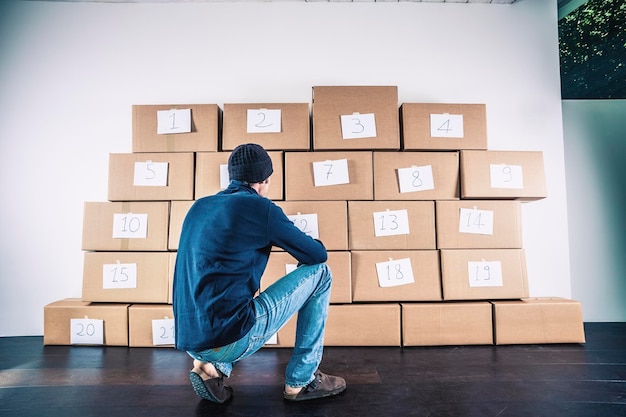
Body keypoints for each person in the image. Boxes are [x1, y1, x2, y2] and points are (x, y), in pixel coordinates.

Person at [172, 143, 346, 403]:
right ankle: (303, 380)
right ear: (264, 179)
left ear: (232, 176)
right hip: (230, 340)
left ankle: (211, 368)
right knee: (321, 273)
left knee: (237, 294)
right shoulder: (262, 209)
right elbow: (316, 256)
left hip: (190, 339)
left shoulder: (199, 207)